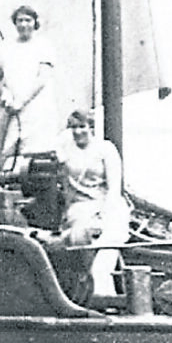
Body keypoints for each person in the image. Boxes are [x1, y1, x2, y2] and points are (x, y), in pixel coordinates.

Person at [56, 109, 131, 296]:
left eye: (82, 127)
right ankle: (94, 293)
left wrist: (103, 215)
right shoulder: (66, 152)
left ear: (91, 128)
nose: (77, 132)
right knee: (79, 239)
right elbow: (66, 189)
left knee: (107, 246)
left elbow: (114, 188)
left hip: (107, 204)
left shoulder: (106, 149)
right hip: (80, 208)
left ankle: (104, 291)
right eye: (73, 127)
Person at [0, 5, 60, 171]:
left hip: (37, 108)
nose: (24, 24)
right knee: (9, 150)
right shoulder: (5, 47)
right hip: (13, 108)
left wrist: (22, 101)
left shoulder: (43, 46)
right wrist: (5, 93)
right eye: (20, 20)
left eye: (28, 20)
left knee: (37, 150)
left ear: (34, 23)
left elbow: (42, 78)